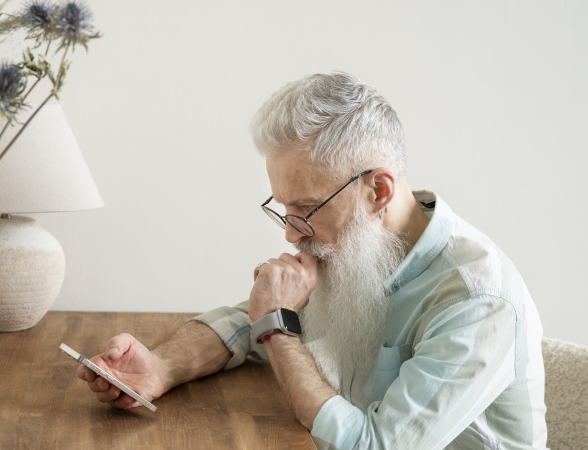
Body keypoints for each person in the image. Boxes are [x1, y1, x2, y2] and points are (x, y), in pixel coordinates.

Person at [76, 72, 548, 449]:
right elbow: (249, 322)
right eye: (283, 208)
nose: (289, 231)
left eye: (306, 208)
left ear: (377, 190)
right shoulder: (360, 242)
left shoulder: (477, 299)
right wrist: (161, 367)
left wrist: (278, 327)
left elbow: (374, 445)